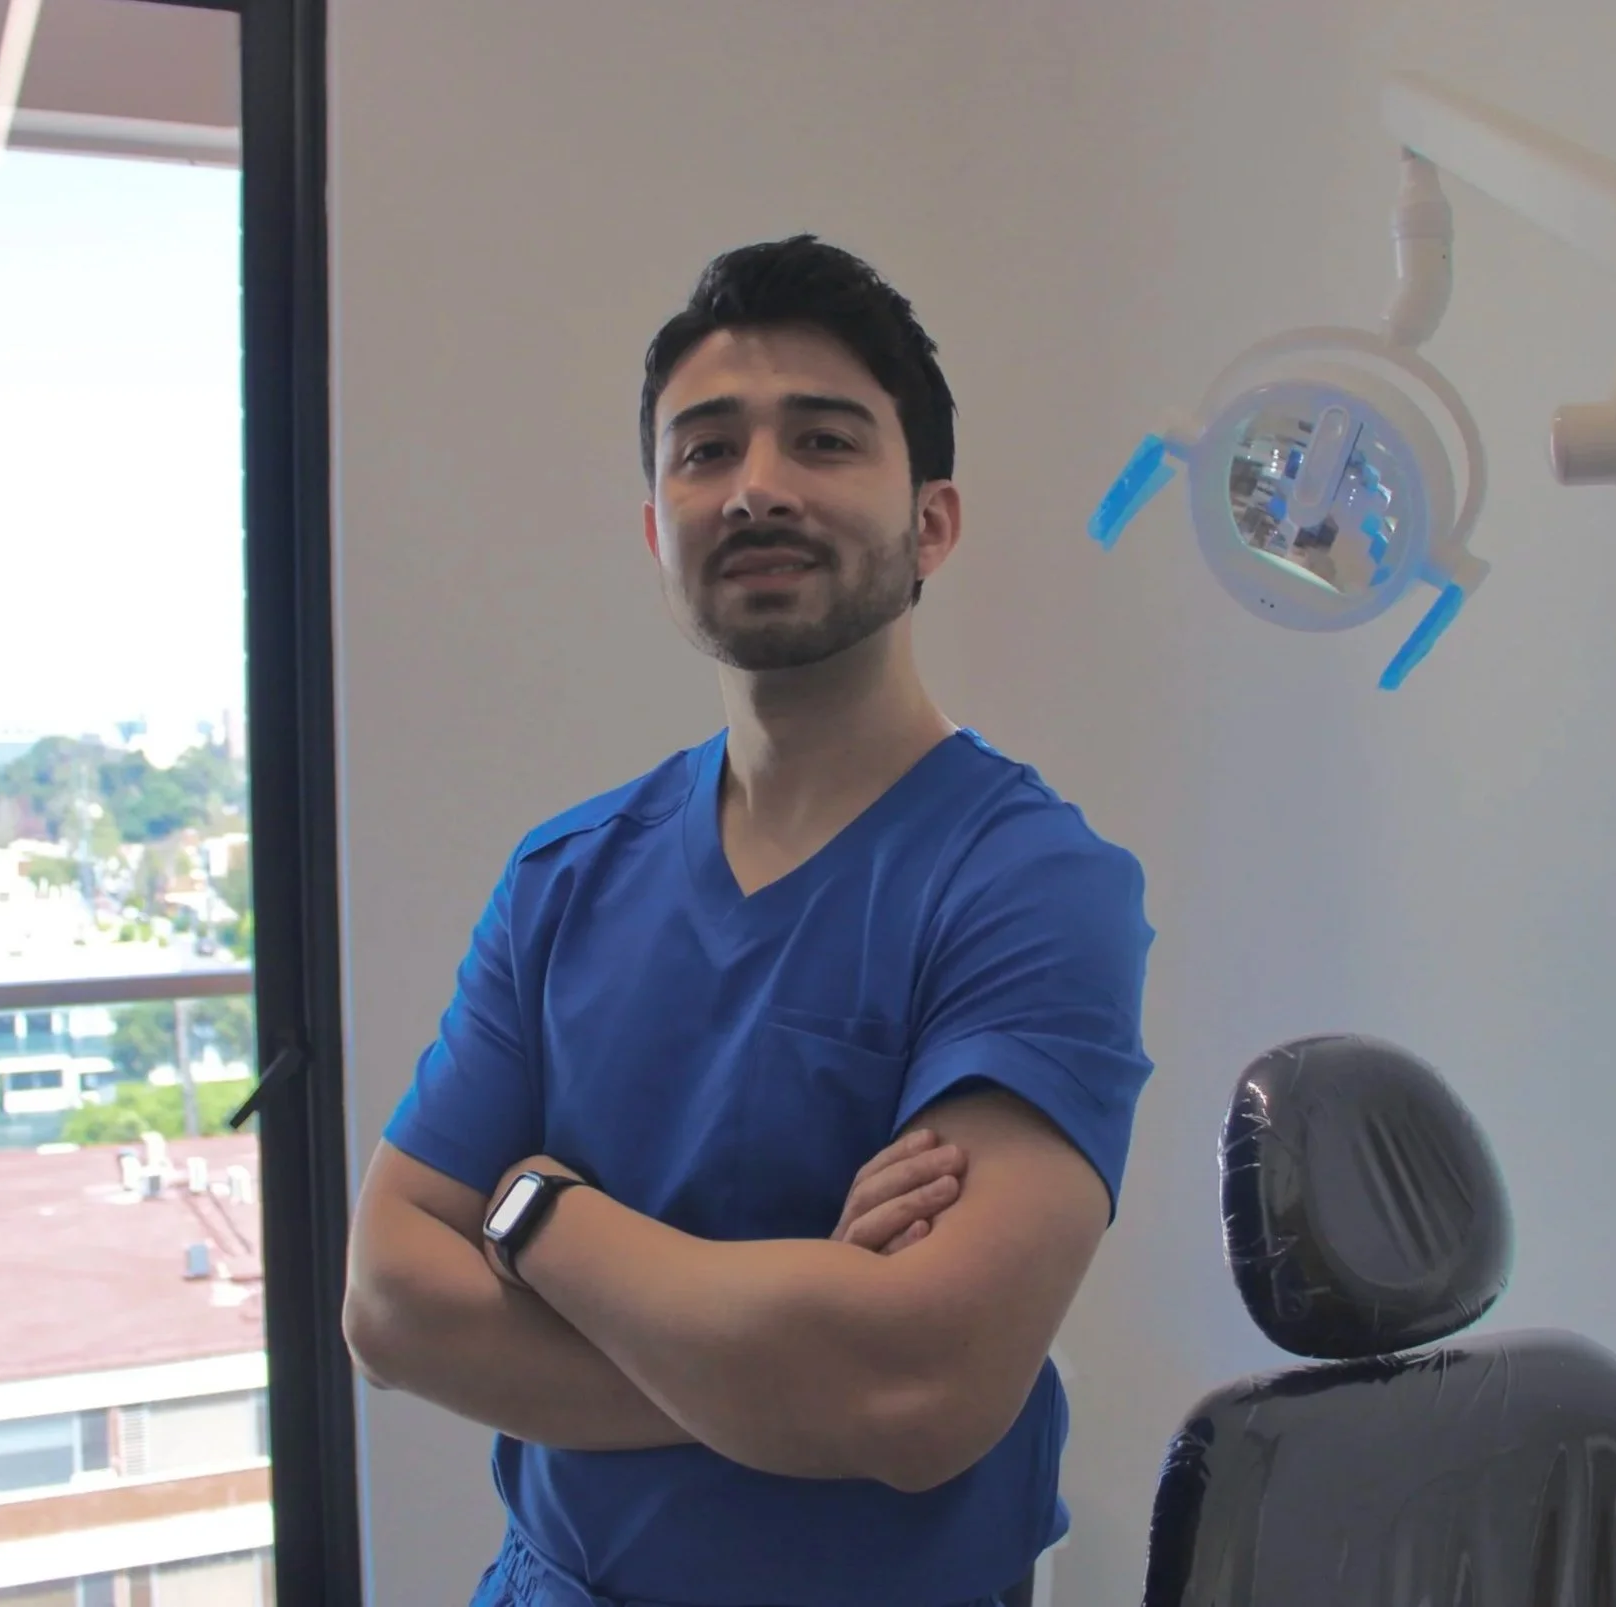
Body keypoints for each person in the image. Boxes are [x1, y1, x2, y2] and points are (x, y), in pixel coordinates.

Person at [342, 235, 1158, 1607]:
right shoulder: (562, 878)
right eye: (705, 451)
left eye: (824, 441)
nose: (756, 487)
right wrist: (778, 1368)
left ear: (932, 525)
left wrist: (539, 1213)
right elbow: (387, 1301)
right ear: (656, 531)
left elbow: (918, 1388)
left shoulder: (1027, 884)